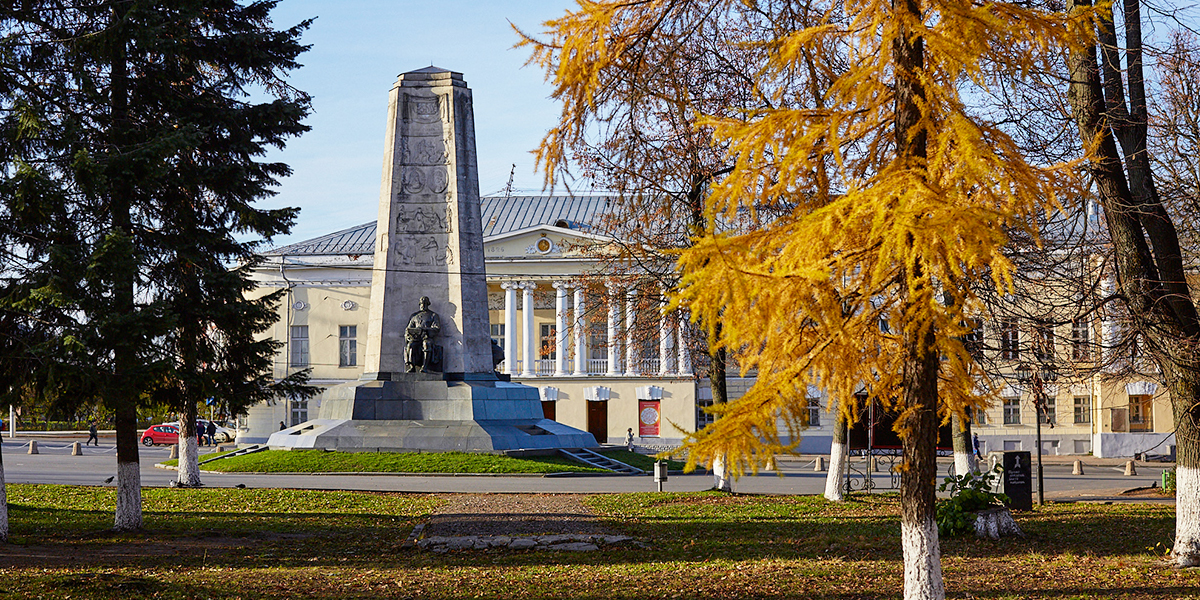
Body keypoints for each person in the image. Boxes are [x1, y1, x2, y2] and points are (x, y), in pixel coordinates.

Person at [405, 296, 441, 372]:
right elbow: (408, 329)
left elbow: (436, 328)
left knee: (426, 344)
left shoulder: (433, 315)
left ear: (428, 304)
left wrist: (425, 330)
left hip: (427, 337)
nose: (423, 305)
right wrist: (408, 336)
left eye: (425, 304)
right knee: (411, 345)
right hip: (416, 338)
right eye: (421, 304)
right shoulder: (414, 316)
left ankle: (425, 366)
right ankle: (412, 366)